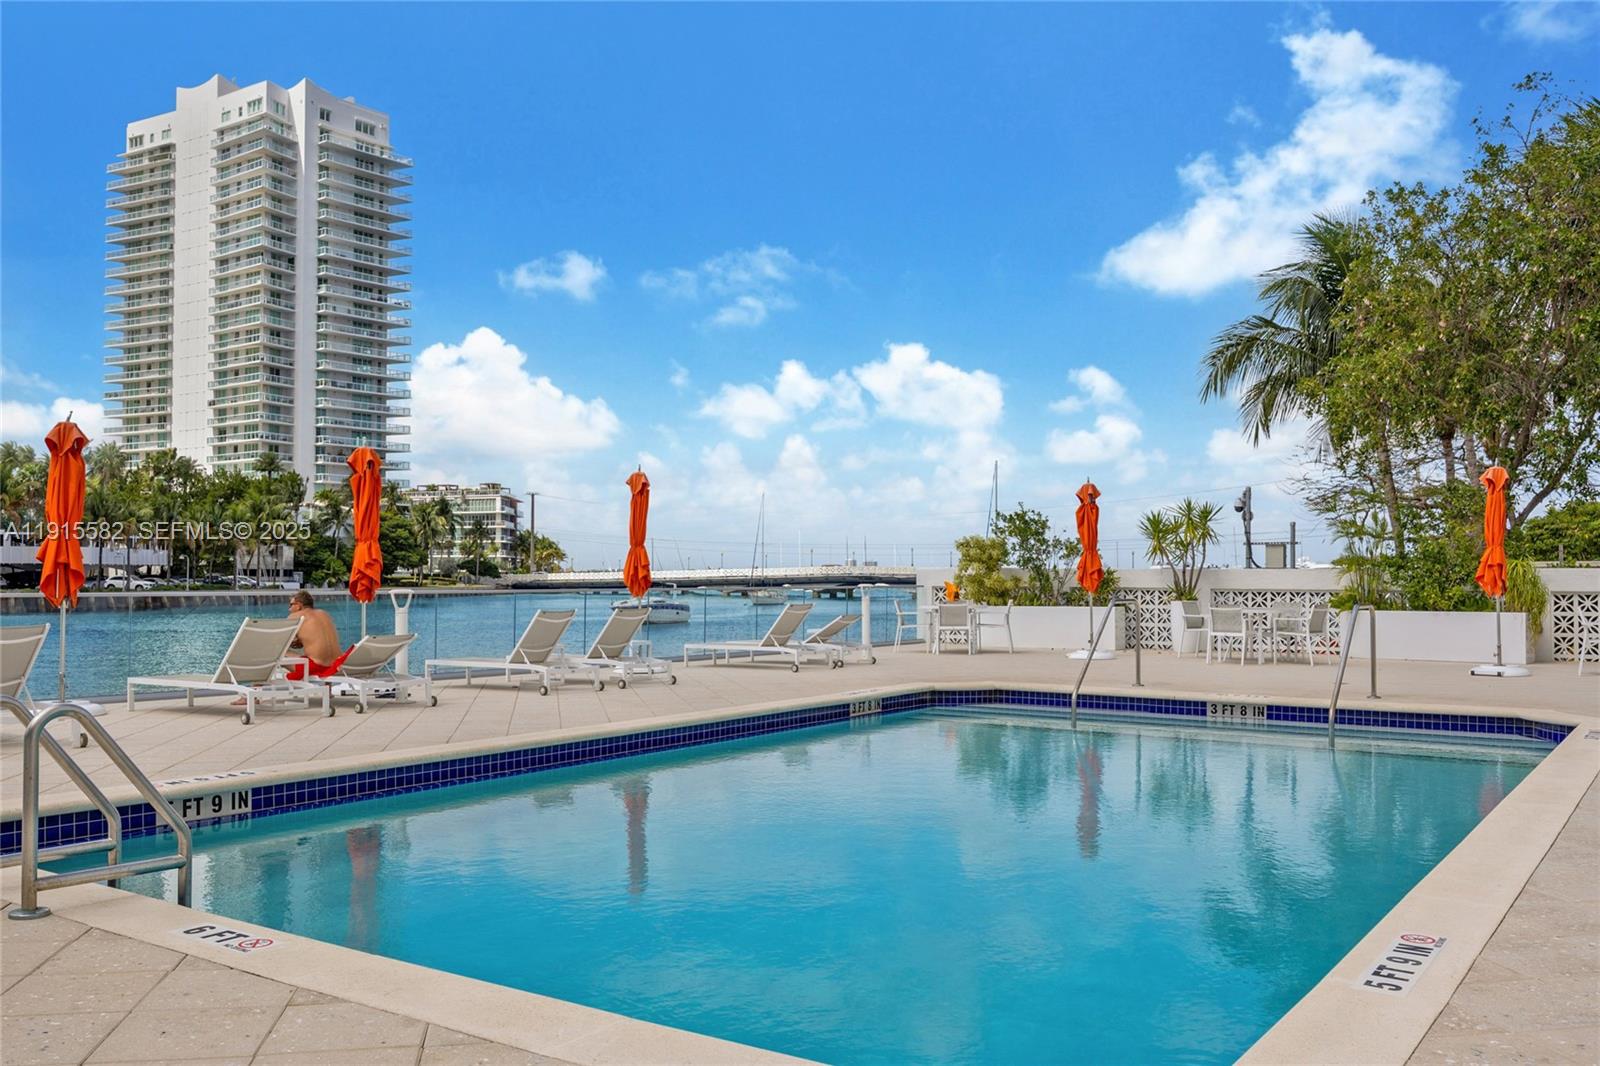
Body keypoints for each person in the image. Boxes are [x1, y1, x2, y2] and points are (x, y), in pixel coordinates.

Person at [285, 590, 351, 680]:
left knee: (279, 654)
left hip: (315, 667)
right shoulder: (324, 613)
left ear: (298, 605)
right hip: (336, 665)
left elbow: (280, 643)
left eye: (291, 605)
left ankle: (261, 682)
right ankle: (327, 689)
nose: (289, 609)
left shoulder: (294, 617)